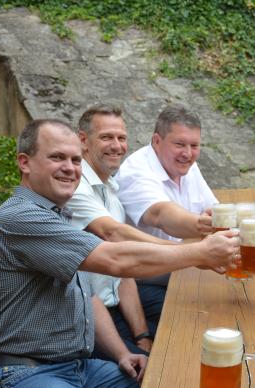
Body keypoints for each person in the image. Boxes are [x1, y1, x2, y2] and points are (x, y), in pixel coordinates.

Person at [0, 119, 239, 388]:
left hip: (76, 368)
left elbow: (88, 295)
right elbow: (116, 261)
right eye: (57, 158)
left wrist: (123, 352)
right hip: (17, 380)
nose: (70, 168)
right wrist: (197, 252)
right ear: (24, 163)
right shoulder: (21, 218)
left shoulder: (60, 215)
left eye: (74, 160)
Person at [66, 104, 180, 359]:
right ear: (83, 141)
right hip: (85, 317)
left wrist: (143, 338)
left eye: (121, 138)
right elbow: (113, 234)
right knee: (151, 372)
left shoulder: (110, 186)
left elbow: (124, 272)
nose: (116, 146)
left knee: (190, 315)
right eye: (106, 137)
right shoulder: (74, 185)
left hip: (115, 306)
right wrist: (190, 253)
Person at [115, 104, 218, 331]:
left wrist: (217, 219)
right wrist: (204, 225)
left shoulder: (187, 166)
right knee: (205, 318)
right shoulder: (137, 170)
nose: (188, 153)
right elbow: (161, 214)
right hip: (143, 282)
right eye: (179, 144)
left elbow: (213, 208)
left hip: (181, 268)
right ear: (156, 141)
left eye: (194, 145)